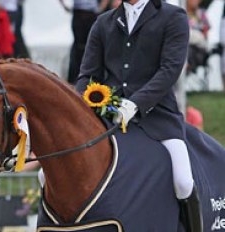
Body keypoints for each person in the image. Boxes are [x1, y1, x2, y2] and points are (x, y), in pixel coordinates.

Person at [75, 0, 203, 231]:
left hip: (158, 116)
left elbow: (170, 70)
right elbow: (87, 76)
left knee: (183, 181)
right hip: (108, 117)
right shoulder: (103, 22)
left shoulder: (173, 17)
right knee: (49, 175)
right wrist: (83, 106)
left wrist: (136, 103)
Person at [59, 0, 111, 84]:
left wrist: (101, 7)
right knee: (80, 47)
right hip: (81, 13)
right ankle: (78, 78)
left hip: (89, 13)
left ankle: (88, 78)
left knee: (91, 46)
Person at [186, 0, 210, 75]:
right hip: (187, 46)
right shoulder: (182, 12)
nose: (195, 1)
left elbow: (206, 33)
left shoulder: (201, 13)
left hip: (198, 49)